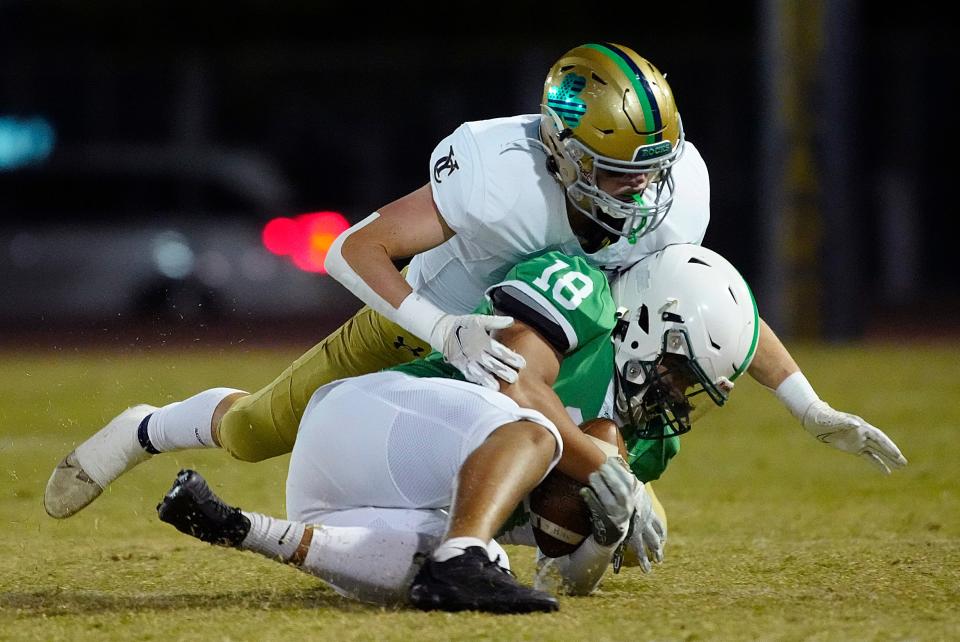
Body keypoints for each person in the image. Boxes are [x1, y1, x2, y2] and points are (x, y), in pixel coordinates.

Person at [44, 42, 906, 539]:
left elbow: (704, 299)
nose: (638, 194)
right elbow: (353, 251)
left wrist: (806, 404)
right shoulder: (499, 173)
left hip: (558, 339)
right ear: (562, 151)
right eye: (613, 173)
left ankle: (518, 544)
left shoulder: (674, 189)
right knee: (261, 432)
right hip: (435, 319)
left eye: (647, 172)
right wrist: (441, 324)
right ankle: (148, 428)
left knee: (581, 473)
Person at [152, 243, 760, 612]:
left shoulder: (639, 441)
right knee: (538, 430)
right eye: (679, 376)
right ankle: (465, 549)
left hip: (357, 518)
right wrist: (603, 467)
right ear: (649, 324)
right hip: (367, 423)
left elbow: (561, 577)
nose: (677, 401)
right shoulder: (587, 299)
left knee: (450, 573)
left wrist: (604, 534)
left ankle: (242, 527)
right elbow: (513, 384)